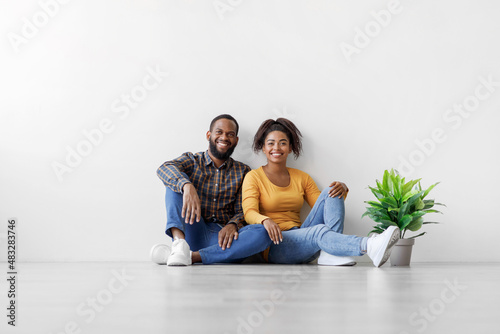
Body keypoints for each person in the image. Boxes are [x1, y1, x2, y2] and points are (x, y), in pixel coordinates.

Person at [242, 118, 399, 267]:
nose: (276, 148)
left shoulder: (302, 177)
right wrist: (265, 220)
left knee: (331, 191)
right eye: (271, 143)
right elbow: (249, 212)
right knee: (319, 231)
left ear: (290, 148)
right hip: (275, 245)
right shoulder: (254, 177)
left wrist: (342, 189)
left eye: (282, 143)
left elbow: (325, 207)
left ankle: (330, 254)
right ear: (263, 147)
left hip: (302, 238)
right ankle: (368, 245)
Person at [151, 114, 272, 266]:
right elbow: (164, 168)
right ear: (209, 135)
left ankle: (190, 256)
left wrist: (233, 224)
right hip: (191, 229)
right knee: (176, 180)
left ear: (236, 140)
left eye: (230, 134)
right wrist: (186, 186)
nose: (224, 137)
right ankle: (179, 244)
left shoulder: (243, 171)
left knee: (263, 233)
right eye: (219, 132)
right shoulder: (192, 161)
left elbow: (244, 210)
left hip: (222, 239)